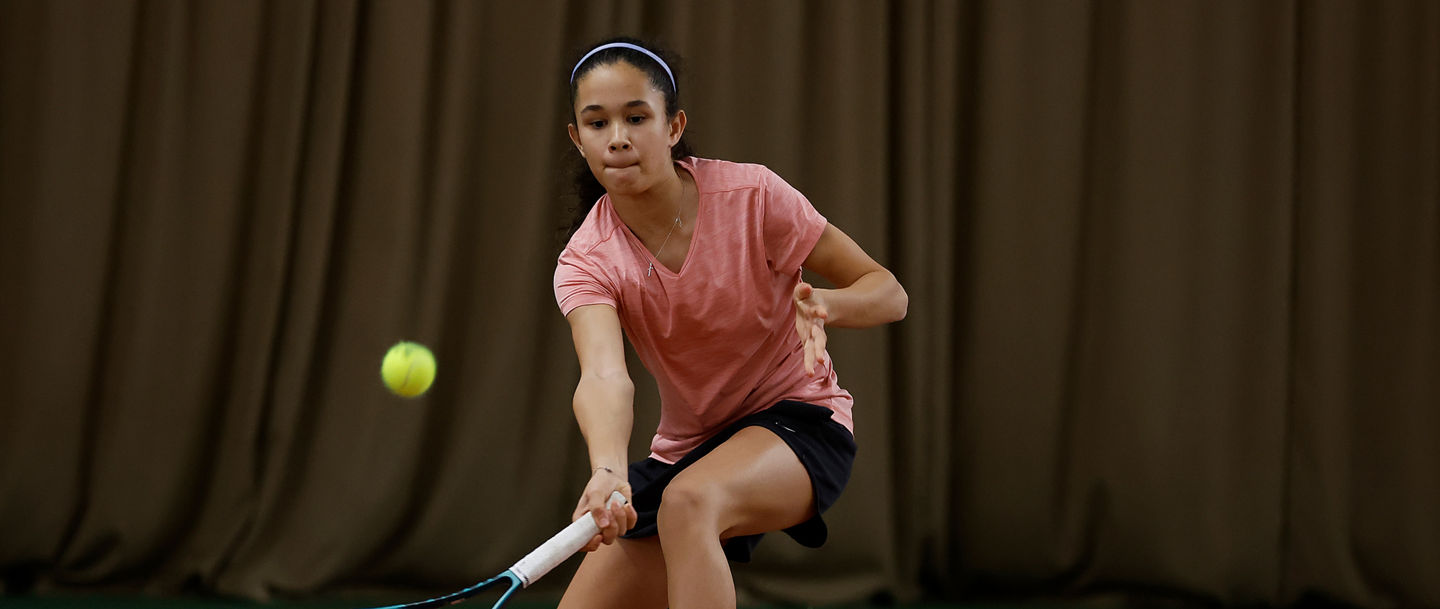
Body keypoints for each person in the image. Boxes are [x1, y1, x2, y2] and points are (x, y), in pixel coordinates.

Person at [552, 37, 908, 609]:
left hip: (798, 421)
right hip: (689, 450)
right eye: (597, 123)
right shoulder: (586, 260)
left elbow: (889, 292)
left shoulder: (752, 196)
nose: (617, 137)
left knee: (691, 503)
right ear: (578, 138)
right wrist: (608, 469)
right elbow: (602, 376)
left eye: (636, 117)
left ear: (673, 127)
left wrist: (828, 306)